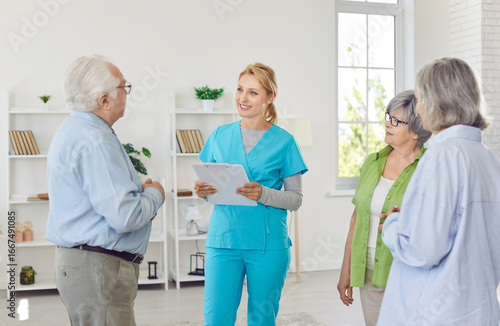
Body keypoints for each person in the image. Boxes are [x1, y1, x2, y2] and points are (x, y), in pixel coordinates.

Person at [378, 57, 500, 325]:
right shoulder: (490, 160)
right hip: (480, 311)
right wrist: (413, 217)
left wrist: (395, 224)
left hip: (435, 313)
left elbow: (423, 250)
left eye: (421, 99)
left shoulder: (441, 156)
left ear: (437, 101)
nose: (419, 111)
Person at [46, 54, 165, 326]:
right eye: (124, 87)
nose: (126, 93)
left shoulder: (74, 129)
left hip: (87, 264)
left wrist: (139, 201)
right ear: (104, 100)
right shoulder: (95, 140)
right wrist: (156, 193)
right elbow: (125, 217)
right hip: (98, 268)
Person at [194, 62, 308, 325]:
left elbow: (295, 199)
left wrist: (263, 194)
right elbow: (208, 188)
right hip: (223, 242)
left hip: (267, 246)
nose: (242, 98)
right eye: (240, 89)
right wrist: (203, 191)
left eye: (253, 93)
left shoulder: (285, 142)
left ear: (270, 98)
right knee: (216, 319)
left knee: (262, 319)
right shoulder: (219, 136)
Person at [337, 90, 431, 326]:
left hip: (409, 272)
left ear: (416, 131)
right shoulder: (373, 161)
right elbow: (356, 218)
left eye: (396, 121)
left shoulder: (430, 167)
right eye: (388, 116)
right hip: (369, 270)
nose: (387, 124)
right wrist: (345, 270)